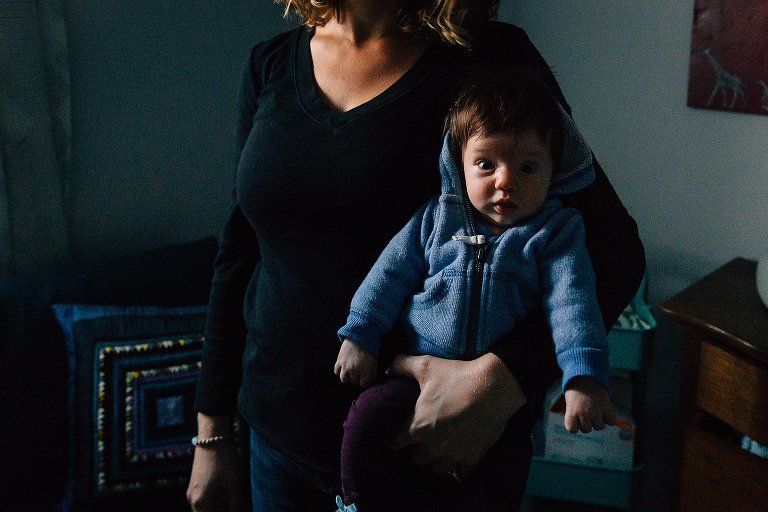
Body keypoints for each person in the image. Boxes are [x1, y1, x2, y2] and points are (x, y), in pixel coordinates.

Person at [186, 0, 646, 511]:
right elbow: (239, 252)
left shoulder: (493, 57)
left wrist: (505, 379)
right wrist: (212, 433)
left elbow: (613, 249)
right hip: (275, 446)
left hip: (427, 448)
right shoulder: (268, 63)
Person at [333, 72, 616, 511]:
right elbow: (387, 276)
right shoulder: (435, 219)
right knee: (366, 419)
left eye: (527, 167)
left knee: (503, 468)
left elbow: (573, 304)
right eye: (487, 164)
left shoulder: (556, 232)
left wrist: (582, 378)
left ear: (553, 170)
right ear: (458, 163)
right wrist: (360, 335)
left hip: (497, 407)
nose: (506, 181)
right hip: (413, 377)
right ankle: (352, 503)